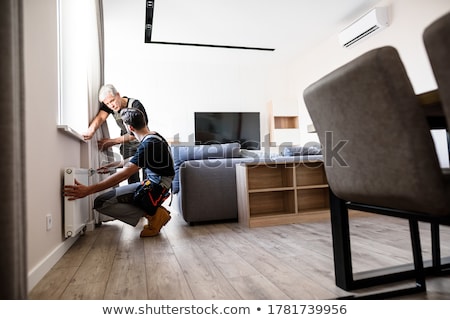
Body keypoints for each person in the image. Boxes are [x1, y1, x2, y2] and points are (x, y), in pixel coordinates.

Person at [65, 108, 175, 237]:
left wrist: (88, 190)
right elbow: (136, 160)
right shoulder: (153, 136)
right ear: (143, 122)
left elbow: (124, 175)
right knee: (112, 198)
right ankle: (153, 213)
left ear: (130, 128)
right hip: (158, 183)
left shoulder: (148, 144)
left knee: (101, 203)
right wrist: (113, 165)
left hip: (157, 187)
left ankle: (155, 215)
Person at [83, 84, 149, 184]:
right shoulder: (111, 106)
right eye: (108, 104)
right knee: (131, 177)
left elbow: (135, 133)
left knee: (147, 178)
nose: (111, 105)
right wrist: (90, 131)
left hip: (142, 143)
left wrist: (112, 142)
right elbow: (100, 117)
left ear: (118, 95)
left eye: (112, 101)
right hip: (128, 146)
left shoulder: (135, 105)